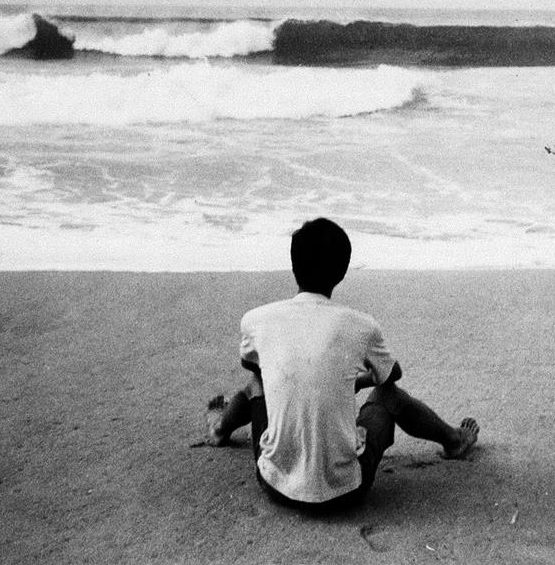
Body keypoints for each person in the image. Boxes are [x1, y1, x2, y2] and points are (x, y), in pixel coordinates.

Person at [205, 217, 479, 510]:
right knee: (387, 396)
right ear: (342, 271)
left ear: (294, 264)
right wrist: (352, 380)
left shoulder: (256, 319)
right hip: (347, 490)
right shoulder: (360, 325)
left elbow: (253, 368)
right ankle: (453, 440)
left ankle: (220, 427)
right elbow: (391, 376)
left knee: (257, 383)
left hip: (275, 484)